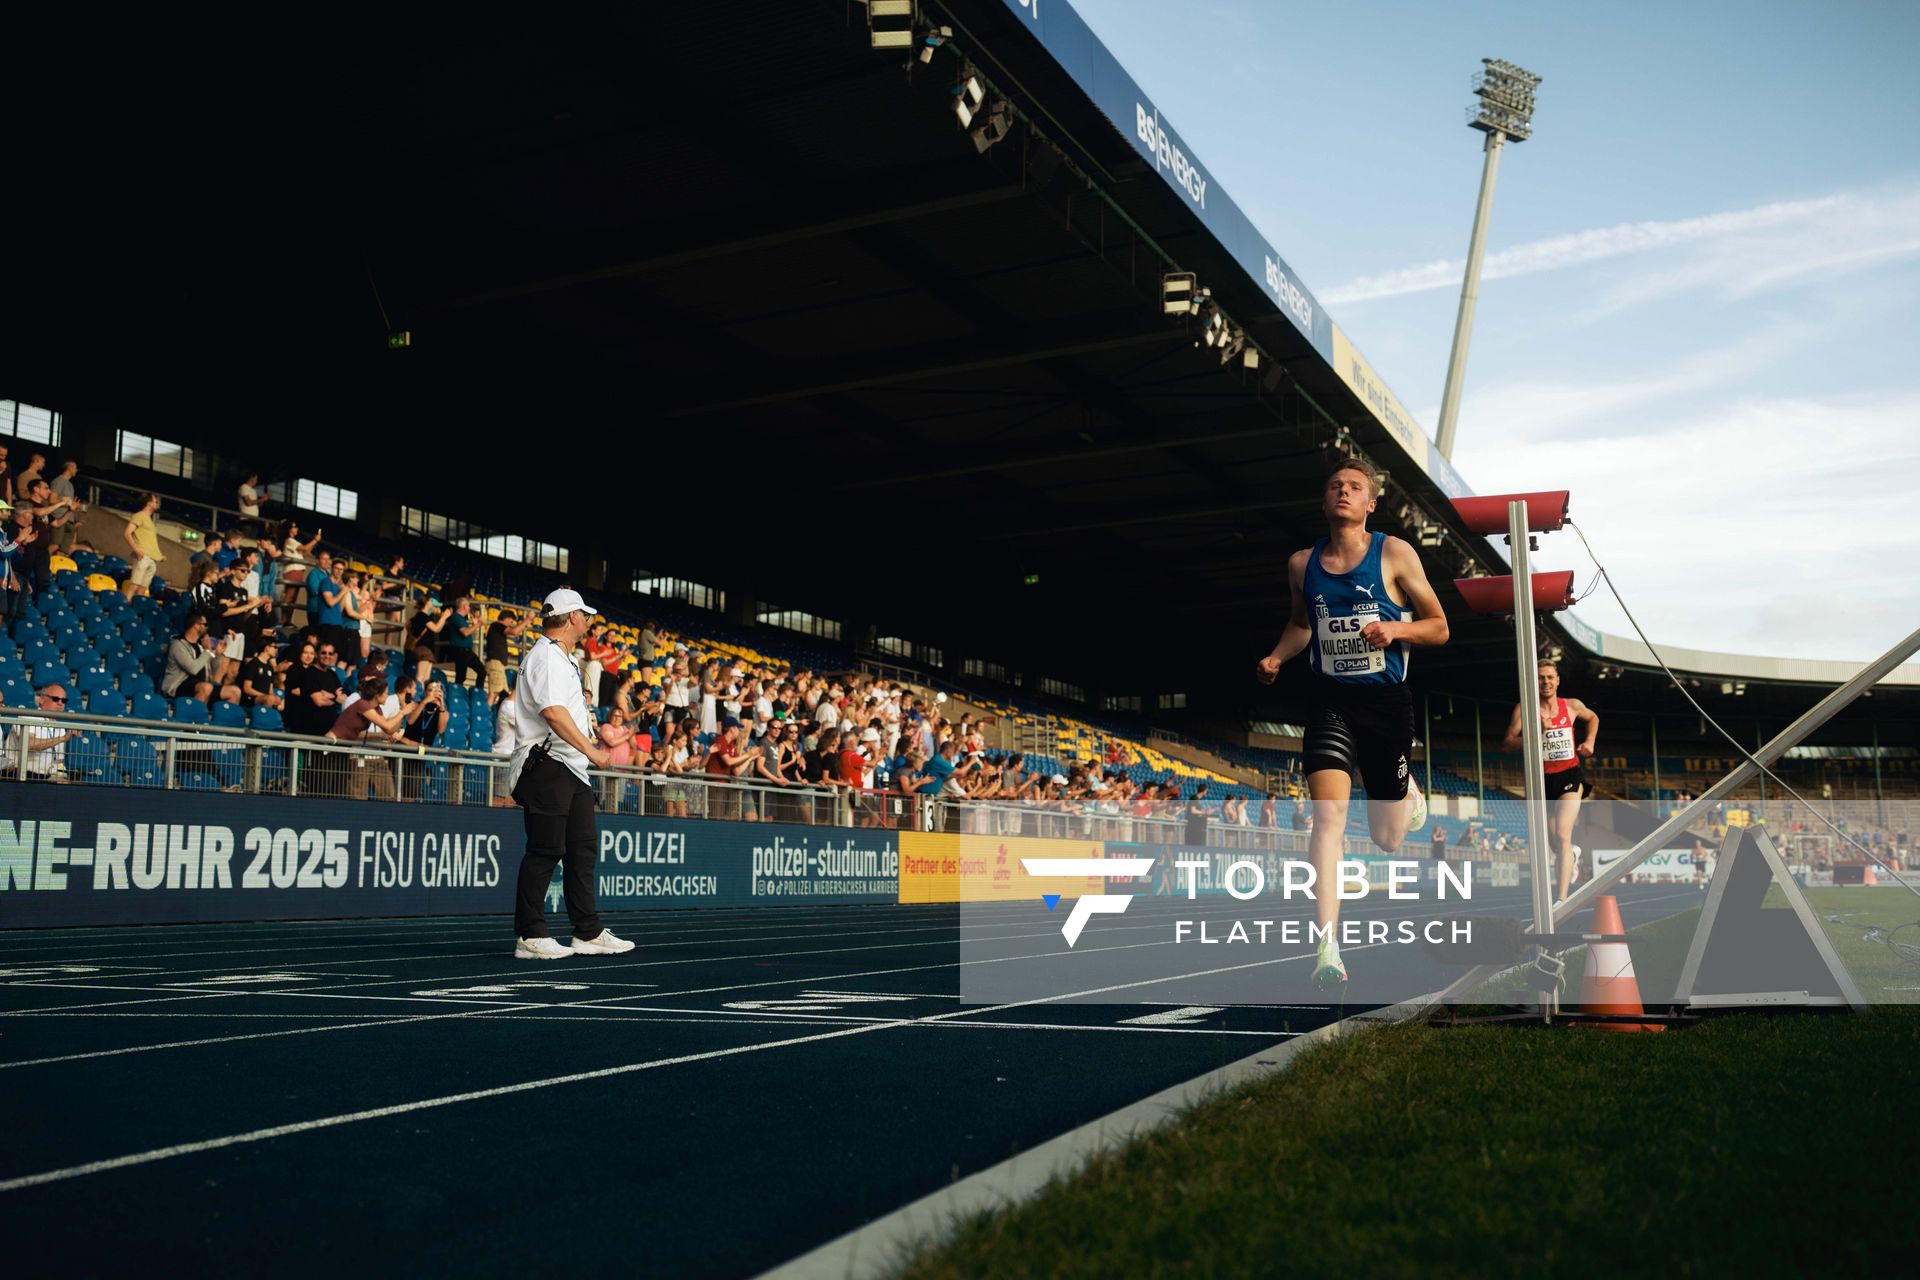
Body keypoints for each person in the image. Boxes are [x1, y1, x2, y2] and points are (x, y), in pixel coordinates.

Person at [1256, 456, 1449, 988]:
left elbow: (1439, 626)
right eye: (1335, 485)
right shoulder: (1302, 564)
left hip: (1386, 704)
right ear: (1324, 501)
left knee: (1387, 839)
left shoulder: (1394, 553)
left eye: (1354, 486)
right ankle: (1328, 947)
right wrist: (1277, 656)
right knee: (1328, 818)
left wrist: (1396, 630)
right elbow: (1301, 624)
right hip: (1329, 702)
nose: (1343, 491)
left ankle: (1407, 792)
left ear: (1370, 503)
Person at [505, 589, 632, 960]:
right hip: (547, 764)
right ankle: (530, 934)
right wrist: (593, 751)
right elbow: (553, 713)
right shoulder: (545, 656)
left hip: (568, 767)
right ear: (572, 617)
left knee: (582, 850)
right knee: (545, 850)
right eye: (585, 615)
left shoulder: (559, 657)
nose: (589, 621)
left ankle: (587, 931)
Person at [1502, 659, 1598, 905]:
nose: (1544, 682)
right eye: (1540, 678)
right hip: (1541, 780)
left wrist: (1590, 742)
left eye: (1549, 677)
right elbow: (1508, 743)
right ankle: (1572, 855)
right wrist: (1537, 733)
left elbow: (1593, 718)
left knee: (1563, 834)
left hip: (1569, 776)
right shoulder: (1525, 709)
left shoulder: (1572, 706)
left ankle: (1561, 899)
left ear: (1557, 681)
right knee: (1554, 840)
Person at [6, 683, 74, 781]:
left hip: (46, 779)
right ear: (41, 700)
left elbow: (58, 761)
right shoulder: (27, 717)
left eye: (64, 700)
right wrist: (62, 739)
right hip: (20, 775)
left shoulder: (60, 728)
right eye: (55, 699)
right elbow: (29, 744)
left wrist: (61, 778)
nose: (60, 703)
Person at [442, 597, 486, 688]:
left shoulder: (461, 619)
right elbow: (465, 633)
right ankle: (457, 693)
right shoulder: (457, 617)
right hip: (460, 651)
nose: (469, 608)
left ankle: (477, 693)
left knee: (482, 671)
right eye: (468, 606)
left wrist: (474, 624)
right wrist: (477, 624)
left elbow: (466, 631)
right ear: (464, 606)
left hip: (467, 651)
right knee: (461, 677)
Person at [484, 607, 526, 700]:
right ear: (506, 618)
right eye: (511, 622)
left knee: (504, 693)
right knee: (494, 693)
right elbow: (514, 632)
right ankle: (486, 712)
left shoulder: (497, 628)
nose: (511, 625)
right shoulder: (497, 625)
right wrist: (527, 620)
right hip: (495, 663)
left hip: (498, 664)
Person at [47, 460, 82, 555]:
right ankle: (43, 562)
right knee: (54, 545)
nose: (76, 470)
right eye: (75, 468)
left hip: (69, 519)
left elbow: (68, 502)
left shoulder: (70, 484)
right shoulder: (59, 480)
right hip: (59, 517)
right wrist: (68, 503)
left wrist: (74, 504)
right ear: (69, 468)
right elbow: (52, 500)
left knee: (63, 550)